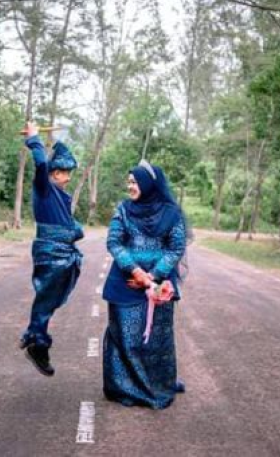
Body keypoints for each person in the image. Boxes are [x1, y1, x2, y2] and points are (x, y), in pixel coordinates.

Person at [101, 160, 188, 409]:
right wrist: (137, 271)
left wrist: (154, 276)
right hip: (125, 282)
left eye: (134, 181)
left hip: (160, 287)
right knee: (125, 337)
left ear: (149, 184)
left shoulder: (172, 213)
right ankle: (126, 387)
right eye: (128, 182)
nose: (130, 186)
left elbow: (176, 247)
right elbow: (114, 242)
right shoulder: (123, 210)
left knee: (157, 339)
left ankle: (157, 384)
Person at [19, 121, 83, 377]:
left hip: (62, 254)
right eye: (65, 173)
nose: (67, 178)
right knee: (45, 300)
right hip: (51, 254)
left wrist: (75, 230)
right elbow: (41, 164)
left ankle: (35, 337)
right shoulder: (44, 189)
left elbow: (65, 223)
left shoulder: (60, 196)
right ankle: (37, 341)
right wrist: (34, 139)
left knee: (50, 299)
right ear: (54, 173)